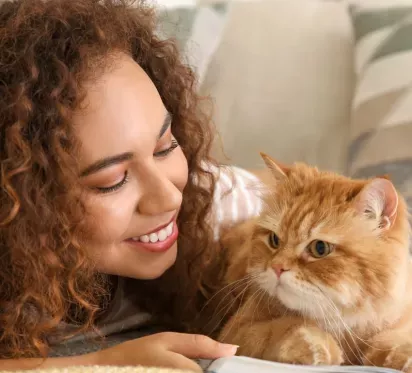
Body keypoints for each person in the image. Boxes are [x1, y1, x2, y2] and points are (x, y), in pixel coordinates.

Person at [0, 0, 264, 371]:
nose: (169, 196)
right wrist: (102, 363)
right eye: (112, 181)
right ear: (21, 201)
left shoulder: (207, 195)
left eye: (165, 146)